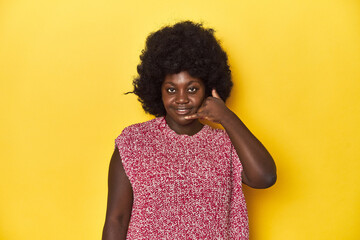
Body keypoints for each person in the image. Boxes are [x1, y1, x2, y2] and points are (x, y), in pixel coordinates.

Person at [102, 21, 276, 240]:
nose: (182, 99)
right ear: (159, 91)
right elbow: (116, 219)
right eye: (171, 89)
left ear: (209, 88)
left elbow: (265, 177)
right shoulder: (134, 141)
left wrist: (226, 116)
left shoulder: (226, 144)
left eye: (192, 88)